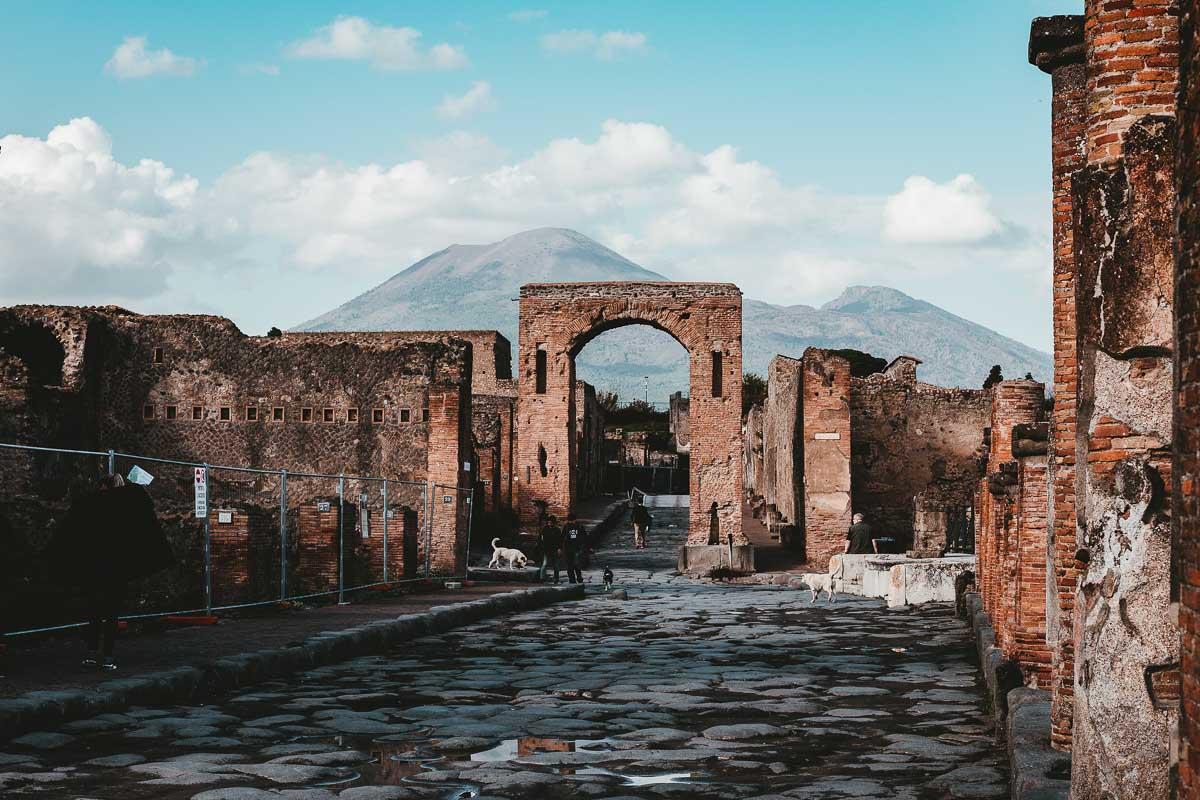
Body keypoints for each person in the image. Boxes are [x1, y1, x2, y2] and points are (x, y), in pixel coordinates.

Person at [49, 473, 172, 671]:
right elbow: (143, 502)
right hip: (113, 570)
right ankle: (106, 655)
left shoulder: (91, 506)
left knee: (95, 613)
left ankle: (96, 653)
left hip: (97, 569)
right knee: (107, 613)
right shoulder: (125, 509)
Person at [561, 512, 586, 584]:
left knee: (576, 564)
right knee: (570, 566)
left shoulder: (579, 527)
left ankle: (578, 578)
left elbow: (584, 537)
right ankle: (572, 580)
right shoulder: (566, 527)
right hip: (568, 549)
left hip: (576, 548)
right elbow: (562, 538)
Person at [538, 515, 563, 583]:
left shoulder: (557, 530)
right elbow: (541, 539)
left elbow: (560, 540)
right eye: (548, 522)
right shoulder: (545, 529)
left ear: (553, 522)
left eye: (551, 522)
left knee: (556, 565)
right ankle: (542, 578)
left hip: (554, 549)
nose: (549, 523)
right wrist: (541, 547)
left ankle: (556, 578)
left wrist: (559, 548)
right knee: (544, 564)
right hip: (546, 549)